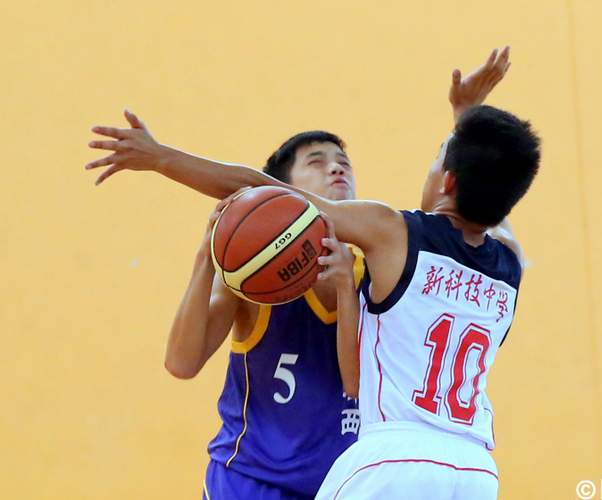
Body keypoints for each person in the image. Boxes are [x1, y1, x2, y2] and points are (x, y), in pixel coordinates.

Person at [85, 47, 513, 499]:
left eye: (343, 161)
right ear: (280, 192)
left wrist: (465, 119)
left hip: (350, 483)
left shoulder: (381, 265)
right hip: (252, 482)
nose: (337, 166)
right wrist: (204, 256)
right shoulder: (253, 281)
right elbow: (181, 362)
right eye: (316, 161)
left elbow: (451, 219)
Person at [204, 97, 540, 498]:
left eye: (438, 160)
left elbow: (271, 195)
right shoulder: (511, 262)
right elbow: (491, 195)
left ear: (448, 182)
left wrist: (158, 158)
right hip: (475, 470)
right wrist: (468, 125)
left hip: (395, 456)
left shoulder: (393, 233)